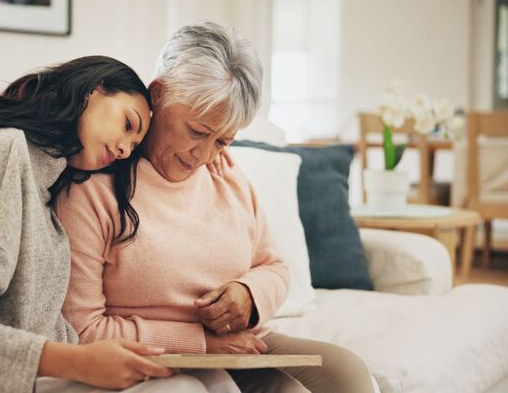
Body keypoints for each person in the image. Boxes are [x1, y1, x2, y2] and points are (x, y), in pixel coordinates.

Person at [0, 56, 238, 393]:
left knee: (214, 379)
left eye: (133, 143)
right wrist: (80, 362)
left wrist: (204, 152)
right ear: (93, 90)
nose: (126, 149)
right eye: (128, 125)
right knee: (180, 390)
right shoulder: (2, 151)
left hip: (31, 382)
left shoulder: (46, 190)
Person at [55, 23, 376, 393]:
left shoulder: (226, 174)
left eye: (223, 140)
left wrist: (248, 294)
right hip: (147, 352)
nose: (204, 156)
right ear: (158, 95)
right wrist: (199, 342)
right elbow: (82, 329)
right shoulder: (94, 186)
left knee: (345, 372)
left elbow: (273, 266)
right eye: (197, 132)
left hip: (235, 346)